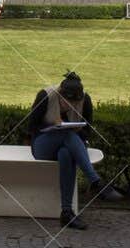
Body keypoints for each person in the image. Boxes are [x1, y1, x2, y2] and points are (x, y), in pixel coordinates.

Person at [28, 71, 121, 229]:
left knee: (66, 153)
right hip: (43, 145)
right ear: (60, 94)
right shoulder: (46, 96)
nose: (71, 105)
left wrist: (74, 130)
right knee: (66, 133)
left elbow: (87, 130)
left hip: (71, 145)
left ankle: (66, 213)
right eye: (67, 101)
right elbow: (31, 127)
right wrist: (53, 127)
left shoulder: (86, 100)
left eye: (74, 102)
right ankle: (96, 182)